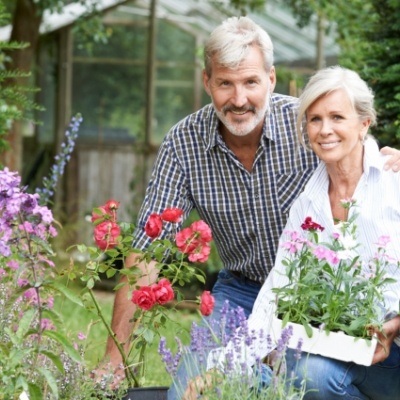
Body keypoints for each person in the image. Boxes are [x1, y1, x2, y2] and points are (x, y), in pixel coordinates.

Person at [96, 17, 400, 392]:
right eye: (225, 83)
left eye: (251, 82)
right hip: (241, 290)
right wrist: (115, 357)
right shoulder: (184, 144)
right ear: (207, 82)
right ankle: (253, 374)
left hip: (317, 296)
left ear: (271, 79)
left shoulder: (307, 124)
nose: (239, 99)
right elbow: (146, 251)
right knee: (190, 390)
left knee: (310, 379)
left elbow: (363, 166)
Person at [185, 66, 400, 399]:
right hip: (354, 352)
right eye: (315, 119)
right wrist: (218, 371)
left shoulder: (393, 184)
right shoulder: (308, 204)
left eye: (337, 118)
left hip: (394, 352)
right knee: (304, 370)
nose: (325, 130)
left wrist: (393, 327)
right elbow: (277, 291)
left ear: (364, 123)